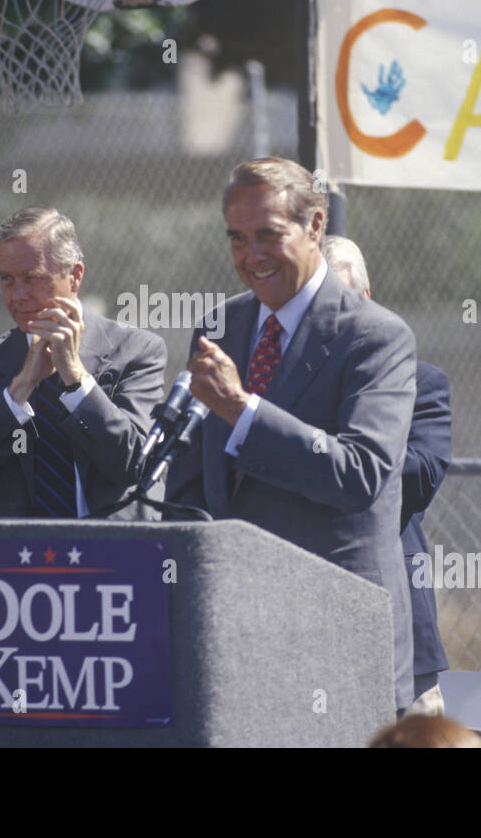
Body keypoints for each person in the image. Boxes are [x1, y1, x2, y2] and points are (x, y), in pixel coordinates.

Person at [167, 157, 418, 713]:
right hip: (239, 636)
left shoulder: (376, 336)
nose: (250, 255)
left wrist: (241, 408)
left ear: (316, 226)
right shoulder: (220, 327)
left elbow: (360, 473)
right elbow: (190, 481)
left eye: (268, 235)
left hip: (340, 634)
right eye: (237, 238)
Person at [0, 206, 167, 518]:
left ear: (75, 276)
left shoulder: (135, 351)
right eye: (6, 279)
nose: (18, 295)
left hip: (118, 555)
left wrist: (76, 378)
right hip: (25, 560)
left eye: (33, 278)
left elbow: (137, 464)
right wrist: (18, 392)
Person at [324, 234, 452, 713]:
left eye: (340, 299)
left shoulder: (420, 381)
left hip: (397, 623)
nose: (330, 315)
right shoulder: (285, 386)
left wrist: (352, 442)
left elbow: (418, 479)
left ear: (366, 298)